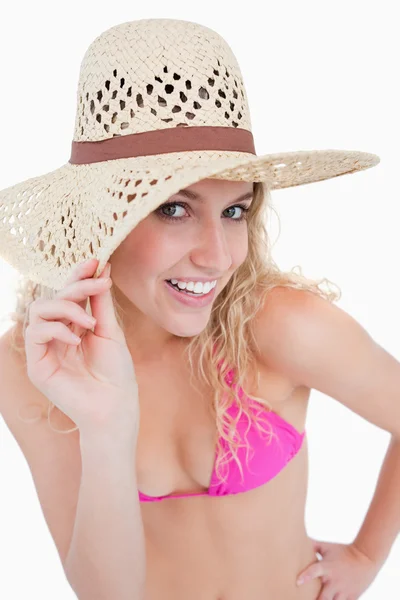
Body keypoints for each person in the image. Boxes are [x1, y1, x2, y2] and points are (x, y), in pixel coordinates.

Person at [0, 17, 396, 600]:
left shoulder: (281, 326)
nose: (217, 256)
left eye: (234, 211)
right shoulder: (36, 364)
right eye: (174, 209)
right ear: (104, 218)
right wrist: (106, 429)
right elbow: (106, 593)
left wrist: (366, 555)